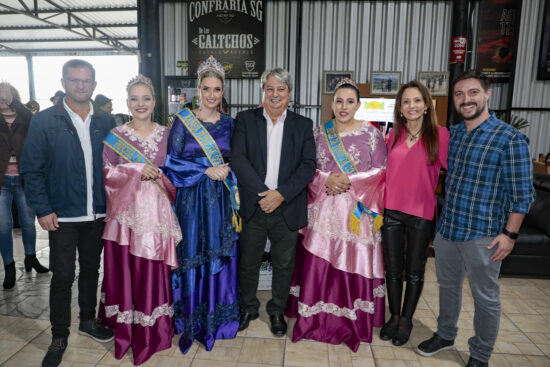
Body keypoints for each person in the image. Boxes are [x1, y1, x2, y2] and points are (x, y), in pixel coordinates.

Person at [416, 70, 535, 367]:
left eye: (472, 93)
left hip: (484, 235)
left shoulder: (510, 138)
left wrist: (510, 235)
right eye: (459, 94)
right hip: (448, 231)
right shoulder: (453, 135)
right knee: (447, 287)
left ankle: (480, 355)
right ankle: (445, 335)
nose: (465, 100)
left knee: (486, 298)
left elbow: (523, 195)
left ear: (486, 94)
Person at [20, 59, 115, 367]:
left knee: (91, 271)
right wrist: (43, 208)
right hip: (61, 216)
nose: (80, 85)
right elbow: (31, 169)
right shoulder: (45, 120)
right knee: (63, 276)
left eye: (86, 81)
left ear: (94, 85)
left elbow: (117, 167)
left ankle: (87, 320)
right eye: (74, 80)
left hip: (97, 214)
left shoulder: (106, 121)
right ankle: (59, 334)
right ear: (63, 82)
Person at [285, 78, 386, 351]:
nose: (343, 107)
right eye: (339, 101)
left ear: (358, 104)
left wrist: (349, 182)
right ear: (332, 103)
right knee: (320, 264)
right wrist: (327, 179)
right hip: (323, 209)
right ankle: (315, 318)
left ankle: (350, 319)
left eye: (349, 101)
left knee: (351, 262)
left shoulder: (372, 135)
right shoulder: (319, 134)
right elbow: (308, 169)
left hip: (356, 211)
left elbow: (380, 173)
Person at [97, 75, 181, 365]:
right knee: (126, 271)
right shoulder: (115, 135)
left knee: (152, 270)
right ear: (127, 102)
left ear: (155, 101)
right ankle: (126, 327)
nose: (140, 104)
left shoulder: (169, 134)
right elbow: (107, 173)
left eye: (146, 98)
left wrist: (157, 174)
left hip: (157, 214)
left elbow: (179, 171)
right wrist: (135, 170)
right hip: (126, 218)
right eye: (135, 98)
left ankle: (153, 328)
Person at [231, 67, 317, 337]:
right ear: (263, 91)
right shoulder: (245, 120)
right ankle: (248, 307)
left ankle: (277, 310)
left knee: (283, 263)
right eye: (270, 88)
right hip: (254, 205)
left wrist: (280, 194)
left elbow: (308, 165)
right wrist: (263, 195)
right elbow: (238, 159)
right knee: (249, 261)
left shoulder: (303, 125)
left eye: (281, 89)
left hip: (287, 206)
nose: (275, 94)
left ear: (289, 93)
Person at [164, 56, 240, 353]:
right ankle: (191, 318)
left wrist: (228, 167)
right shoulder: (183, 121)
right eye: (206, 89)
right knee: (193, 251)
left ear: (223, 92)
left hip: (221, 199)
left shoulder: (230, 124)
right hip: (192, 199)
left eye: (217, 89)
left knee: (219, 251)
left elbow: (240, 159)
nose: (211, 95)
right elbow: (171, 163)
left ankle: (217, 318)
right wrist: (204, 170)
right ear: (198, 89)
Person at [380, 80, 449, 346]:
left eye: (417, 100)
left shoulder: (440, 135)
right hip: (392, 212)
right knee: (393, 269)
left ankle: (407, 320)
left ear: (426, 104)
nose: (412, 106)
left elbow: (454, 170)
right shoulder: (393, 135)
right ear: (399, 107)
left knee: (415, 270)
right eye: (406, 101)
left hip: (421, 213)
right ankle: (394, 316)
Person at [0, 82, 49, 290]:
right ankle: (9, 266)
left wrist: (13, 102)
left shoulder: (25, 118)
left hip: (23, 179)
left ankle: (31, 258)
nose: (2, 99)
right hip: (2, 181)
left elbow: (33, 118)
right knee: (3, 226)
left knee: (29, 223)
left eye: (6, 96)